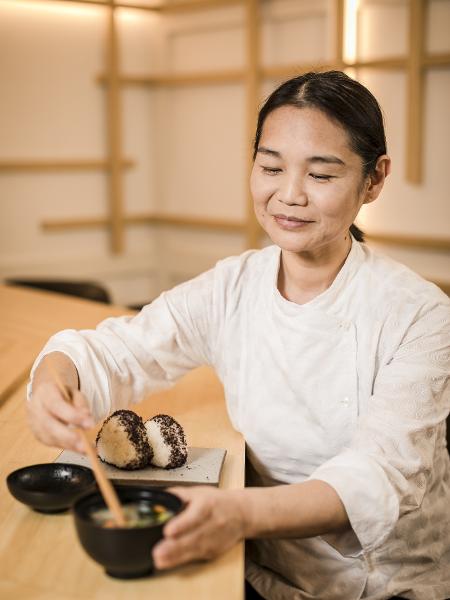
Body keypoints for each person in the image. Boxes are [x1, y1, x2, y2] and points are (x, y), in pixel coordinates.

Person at [27, 71, 450, 600]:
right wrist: (54, 380)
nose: (288, 194)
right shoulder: (232, 286)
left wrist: (236, 511)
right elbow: (118, 351)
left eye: (320, 175)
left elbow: (378, 477)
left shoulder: (420, 314)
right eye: (271, 167)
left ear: (374, 179)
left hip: (379, 585)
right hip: (255, 566)